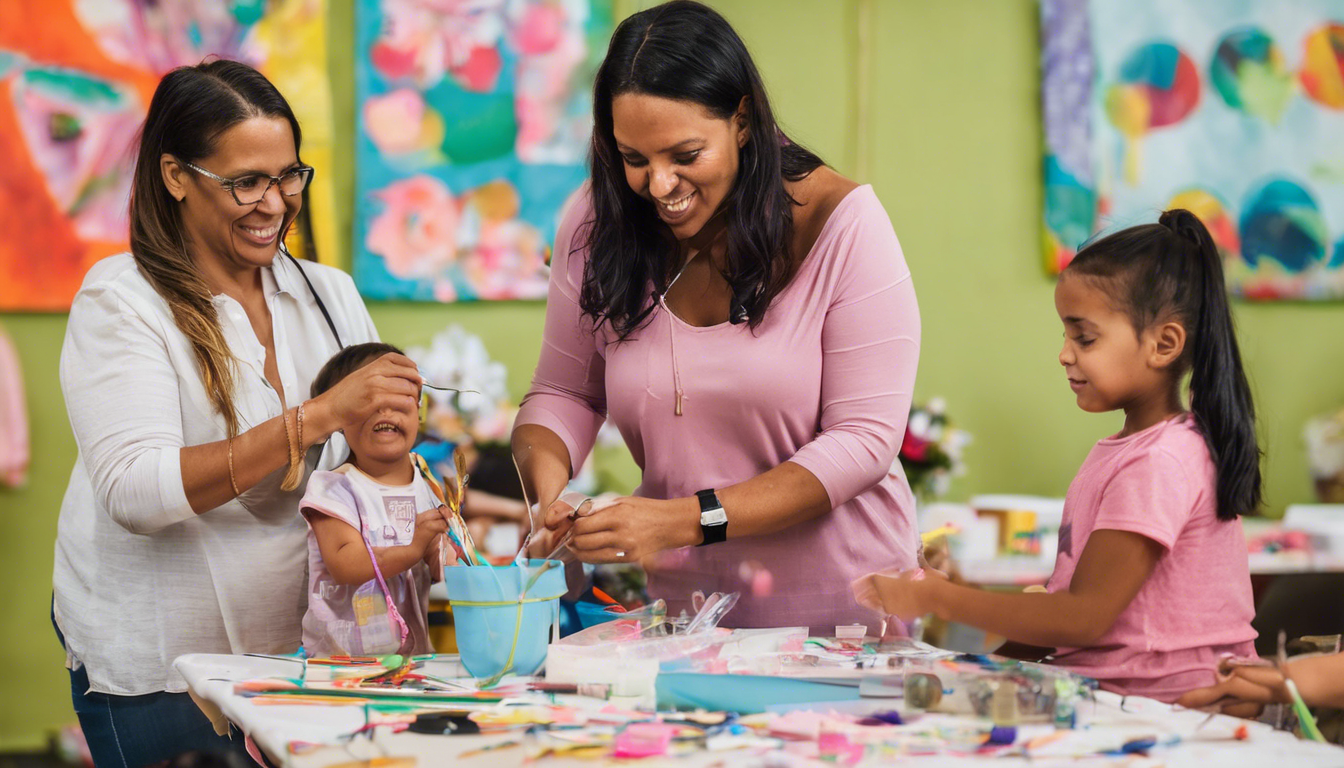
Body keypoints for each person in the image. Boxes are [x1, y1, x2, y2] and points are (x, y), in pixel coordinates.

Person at [52, 60, 422, 766]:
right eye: (247, 181)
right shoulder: (122, 300)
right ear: (176, 176)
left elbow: (359, 467)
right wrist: (316, 416)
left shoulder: (329, 293)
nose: (276, 203)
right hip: (166, 663)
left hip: (308, 653)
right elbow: (135, 490)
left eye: (289, 176)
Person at [512, 0, 922, 633]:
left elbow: (864, 441)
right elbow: (564, 391)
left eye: (685, 154)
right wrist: (547, 499)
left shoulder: (842, 223)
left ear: (743, 119)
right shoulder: (598, 222)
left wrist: (680, 521)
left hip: (847, 621)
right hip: (687, 628)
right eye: (634, 158)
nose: (659, 185)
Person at [853, 209, 1261, 702]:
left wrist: (940, 598)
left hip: (1171, 709)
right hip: (1118, 697)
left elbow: (1083, 618)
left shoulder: (1160, 461)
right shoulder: (1127, 452)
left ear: (1164, 344)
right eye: (1065, 335)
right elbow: (1066, 622)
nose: (1065, 354)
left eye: (1084, 337)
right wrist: (958, 624)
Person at [300, 343, 457, 658]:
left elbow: (442, 563)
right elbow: (346, 564)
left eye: (399, 401)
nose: (385, 412)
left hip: (409, 665)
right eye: (368, 402)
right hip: (339, 666)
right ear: (339, 419)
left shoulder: (427, 483)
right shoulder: (334, 490)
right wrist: (414, 547)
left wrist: (446, 555)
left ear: (420, 409)